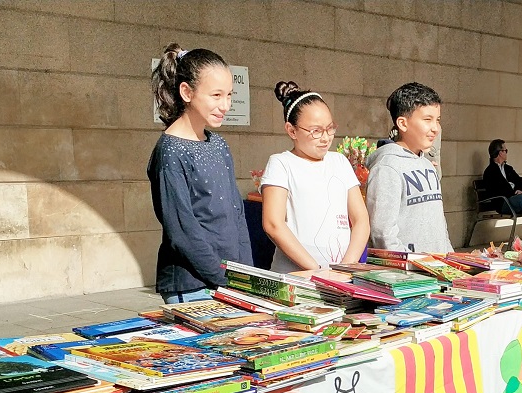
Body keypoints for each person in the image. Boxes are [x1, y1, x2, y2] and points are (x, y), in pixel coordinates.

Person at [148, 43, 253, 304]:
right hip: (192, 286)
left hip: (230, 282)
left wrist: (245, 275)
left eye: (229, 95)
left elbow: (237, 213)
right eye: (216, 95)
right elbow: (182, 231)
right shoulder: (170, 152)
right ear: (187, 92)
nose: (225, 105)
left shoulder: (218, 144)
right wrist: (221, 278)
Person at [260, 81, 370, 273]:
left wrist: (345, 268)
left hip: (340, 276)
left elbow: (361, 220)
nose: (326, 138)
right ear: (292, 130)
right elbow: (273, 224)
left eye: (330, 128)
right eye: (316, 131)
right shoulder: (281, 164)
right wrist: (316, 270)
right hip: (297, 276)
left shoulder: (339, 162)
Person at [366, 82, 453, 254]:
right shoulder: (387, 167)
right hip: (410, 269)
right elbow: (382, 232)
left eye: (437, 120)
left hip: (439, 265)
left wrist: (450, 256)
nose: (435, 128)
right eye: (427, 120)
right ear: (403, 123)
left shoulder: (428, 165)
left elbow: (440, 224)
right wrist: (410, 263)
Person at [482, 138, 522, 232]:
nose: (506, 153)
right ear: (500, 153)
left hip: (516, 202)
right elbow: (496, 191)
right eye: (505, 150)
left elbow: (520, 182)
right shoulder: (490, 172)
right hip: (504, 203)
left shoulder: (508, 168)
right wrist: (513, 192)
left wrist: (519, 189)